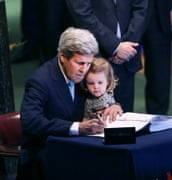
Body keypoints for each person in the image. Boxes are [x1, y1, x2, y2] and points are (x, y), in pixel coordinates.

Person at [17, 27, 123, 180]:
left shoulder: (82, 72)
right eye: (80, 63)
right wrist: (77, 127)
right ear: (62, 57)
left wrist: (113, 106)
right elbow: (30, 121)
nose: (84, 69)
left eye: (88, 63)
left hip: (77, 149)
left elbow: (97, 94)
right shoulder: (40, 81)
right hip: (45, 158)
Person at [66, 0, 149, 112]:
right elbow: (82, 13)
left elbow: (141, 9)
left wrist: (127, 47)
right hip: (94, 57)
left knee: (125, 119)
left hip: (128, 56)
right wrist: (115, 46)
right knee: (94, 121)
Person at [142, 0, 172, 115]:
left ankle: (157, 121)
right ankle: (117, 117)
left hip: (161, 8)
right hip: (122, 7)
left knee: (159, 70)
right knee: (120, 62)